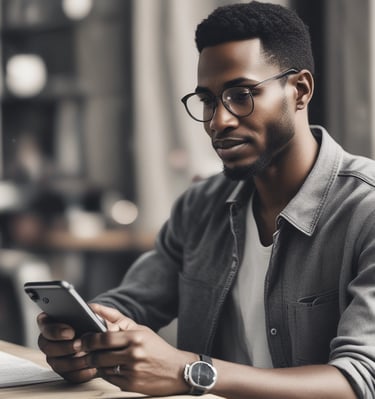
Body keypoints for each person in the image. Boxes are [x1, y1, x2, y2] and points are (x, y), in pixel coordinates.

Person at [37, 2, 375, 398]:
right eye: (209, 100)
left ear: (299, 90)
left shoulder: (364, 211)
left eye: (240, 94)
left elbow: (359, 380)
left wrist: (192, 372)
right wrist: (84, 341)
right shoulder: (199, 207)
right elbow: (132, 303)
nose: (219, 121)